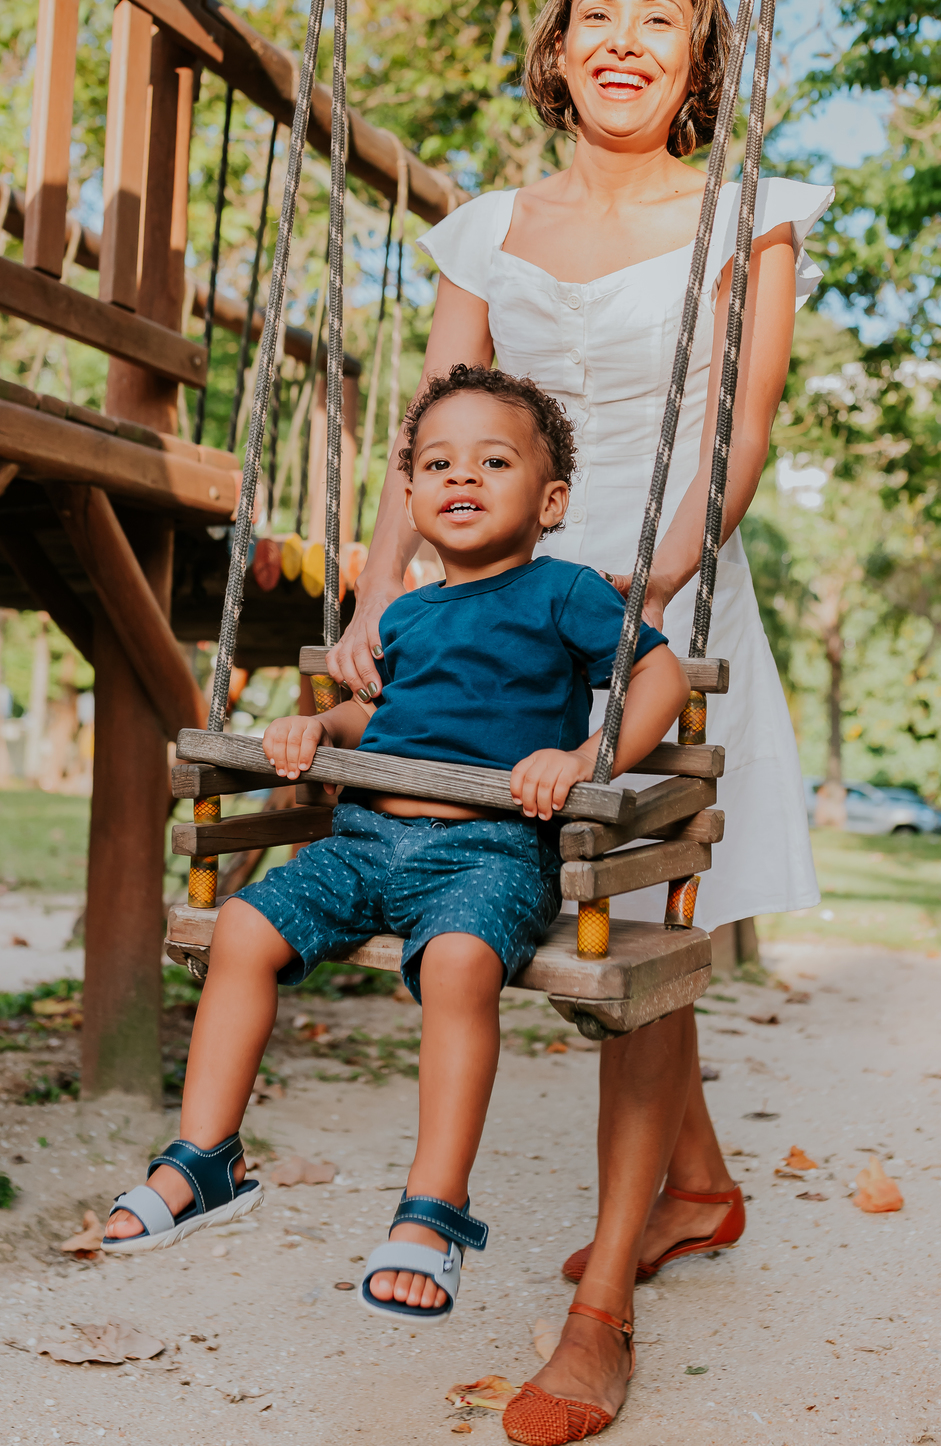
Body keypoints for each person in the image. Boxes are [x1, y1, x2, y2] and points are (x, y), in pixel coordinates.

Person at [329, 0, 833, 1443]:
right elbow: (436, 426)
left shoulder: (748, 212)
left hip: (655, 585)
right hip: (494, 598)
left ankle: (601, 1305)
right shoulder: (487, 228)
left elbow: (741, 425)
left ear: (698, 56)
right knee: (585, 911)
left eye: (658, 18)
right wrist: (376, 597)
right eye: (597, 14)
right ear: (556, 50)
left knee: (636, 920)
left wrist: (656, 585)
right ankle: (699, 1185)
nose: (624, 39)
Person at [102, 365, 689, 1337]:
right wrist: (318, 727)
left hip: (491, 850)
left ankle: (432, 1209)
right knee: (242, 928)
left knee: (458, 965)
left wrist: (587, 756)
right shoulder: (406, 614)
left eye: (492, 462)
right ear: (412, 497)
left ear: (549, 502)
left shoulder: (566, 594)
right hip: (364, 839)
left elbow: (658, 675)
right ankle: (205, 1157)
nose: (462, 476)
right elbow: (374, 715)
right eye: (439, 463)